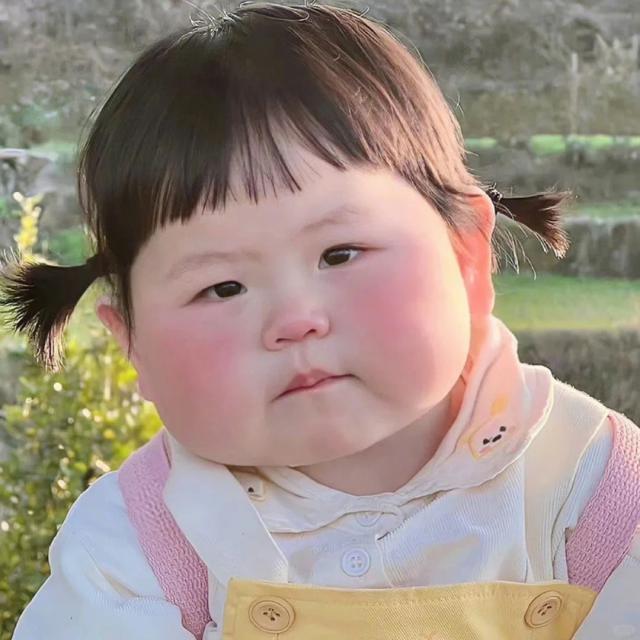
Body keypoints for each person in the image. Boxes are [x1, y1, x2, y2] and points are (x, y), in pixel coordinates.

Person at [2, 3, 639, 639]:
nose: (294, 320)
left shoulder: (593, 494)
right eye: (222, 288)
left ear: (467, 255)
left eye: (339, 254)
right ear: (132, 344)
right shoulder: (133, 556)